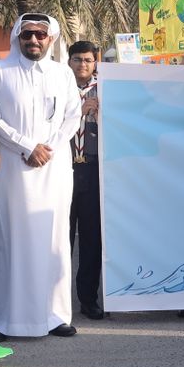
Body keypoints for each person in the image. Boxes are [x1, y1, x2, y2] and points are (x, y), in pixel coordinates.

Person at [0, 13, 83, 339]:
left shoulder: (62, 73)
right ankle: (5, 320)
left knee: (54, 239)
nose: (34, 40)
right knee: (11, 242)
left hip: (53, 168)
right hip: (13, 169)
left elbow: (73, 116)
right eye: (27, 34)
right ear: (18, 37)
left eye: (41, 34)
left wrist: (47, 148)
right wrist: (27, 146)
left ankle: (55, 316)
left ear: (50, 38)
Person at [68, 40, 104, 320]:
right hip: (63, 170)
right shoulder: (57, 87)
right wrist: (78, 110)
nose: (83, 64)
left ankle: (88, 299)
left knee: (92, 239)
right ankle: (54, 300)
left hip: (93, 171)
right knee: (60, 238)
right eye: (78, 59)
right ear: (69, 61)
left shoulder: (106, 89)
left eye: (88, 60)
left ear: (95, 63)